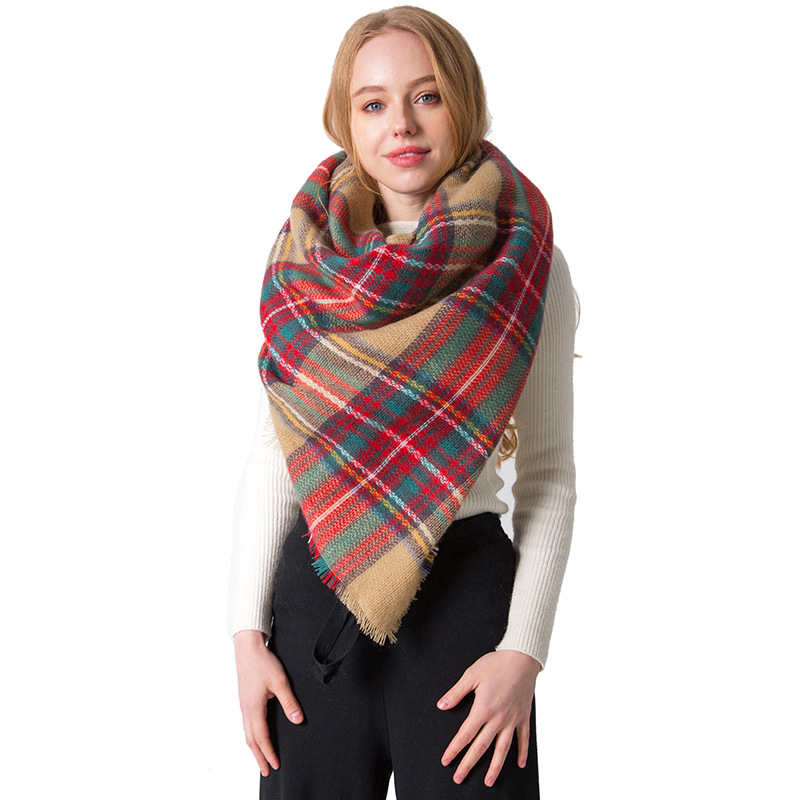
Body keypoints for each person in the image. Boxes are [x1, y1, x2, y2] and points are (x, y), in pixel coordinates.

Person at [228, 6, 576, 798]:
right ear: (346, 120)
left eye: (427, 96)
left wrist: (524, 652)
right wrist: (246, 636)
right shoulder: (303, 263)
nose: (402, 125)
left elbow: (549, 472)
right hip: (317, 602)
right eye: (373, 103)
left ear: (463, 102)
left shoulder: (527, 263)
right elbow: (276, 455)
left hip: (465, 609)